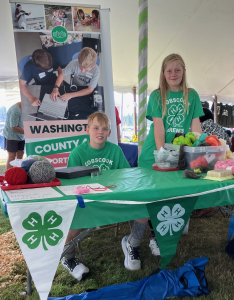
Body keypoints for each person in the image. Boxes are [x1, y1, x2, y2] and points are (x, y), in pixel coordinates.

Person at [121, 53, 204, 271]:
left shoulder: (192, 95)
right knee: (149, 201)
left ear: (184, 71)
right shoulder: (157, 96)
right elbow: (159, 128)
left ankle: (156, 236)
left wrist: (198, 151)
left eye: (177, 70)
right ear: (163, 73)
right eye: (169, 70)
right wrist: (162, 155)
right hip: (154, 156)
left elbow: (195, 127)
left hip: (180, 155)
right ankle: (132, 243)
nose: (173, 74)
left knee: (168, 198)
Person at [62, 111, 130, 280]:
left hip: (113, 197)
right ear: (87, 130)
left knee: (142, 205)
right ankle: (68, 258)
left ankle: (133, 244)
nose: (100, 131)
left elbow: (128, 175)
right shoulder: (77, 153)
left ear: (109, 133)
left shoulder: (115, 150)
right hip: (87, 200)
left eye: (104, 128)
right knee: (75, 215)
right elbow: (72, 184)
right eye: (96, 128)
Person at [3, 102, 24, 170]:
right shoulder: (15, 109)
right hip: (11, 136)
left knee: (20, 156)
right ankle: (9, 176)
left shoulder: (28, 108)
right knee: (12, 156)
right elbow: (13, 127)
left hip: (22, 136)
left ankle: (17, 173)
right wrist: (28, 132)